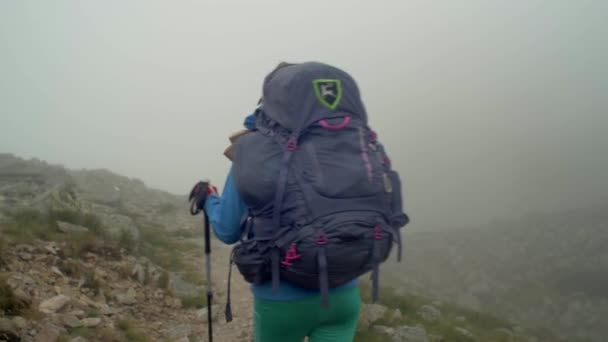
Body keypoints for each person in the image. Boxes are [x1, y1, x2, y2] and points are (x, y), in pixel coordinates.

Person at [203, 112, 362, 342]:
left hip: (282, 297)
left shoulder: (250, 154)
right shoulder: (333, 149)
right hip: (343, 292)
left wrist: (209, 200)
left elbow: (228, 230)